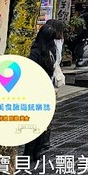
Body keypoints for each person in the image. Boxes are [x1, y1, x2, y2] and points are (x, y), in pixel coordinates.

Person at [23, 24, 57, 161]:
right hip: (36, 89)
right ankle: (31, 150)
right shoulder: (37, 51)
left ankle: (35, 150)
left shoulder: (48, 50)